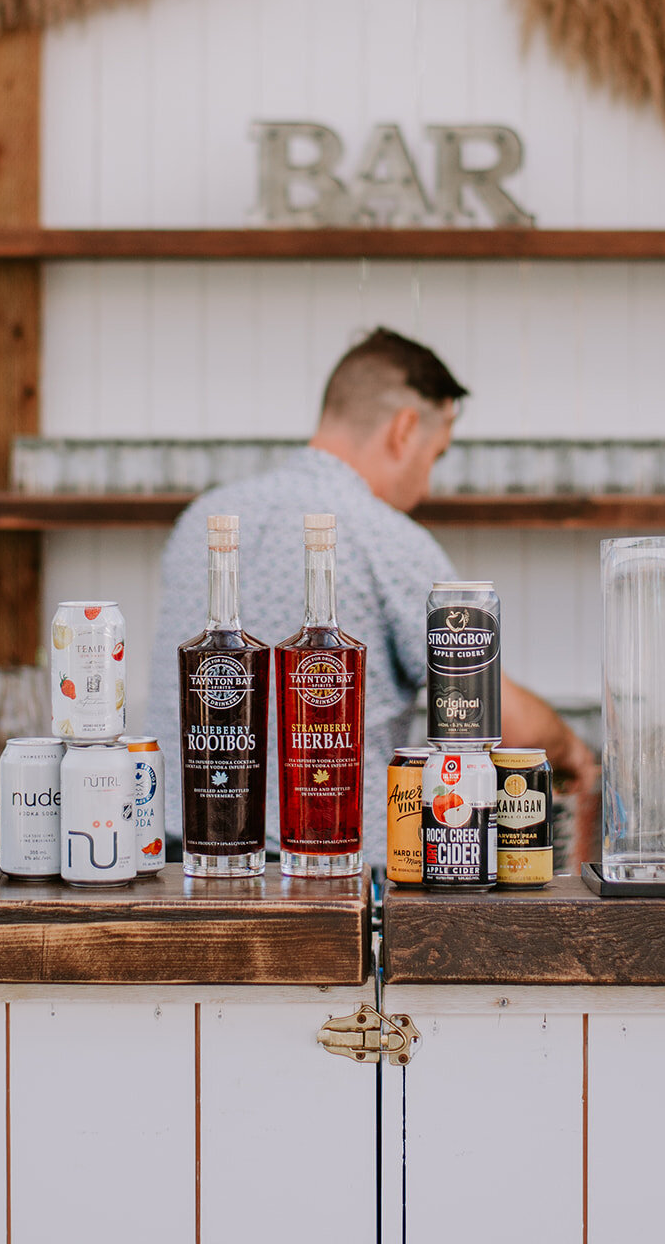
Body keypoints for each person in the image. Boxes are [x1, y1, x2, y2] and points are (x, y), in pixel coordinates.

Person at [147, 327, 596, 866]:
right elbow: (489, 716)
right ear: (405, 430)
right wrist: (572, 750)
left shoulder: (204, 518)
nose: (427, 485)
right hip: (330, 871)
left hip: (185, 861)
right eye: (437, 454)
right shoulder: (388, 539)